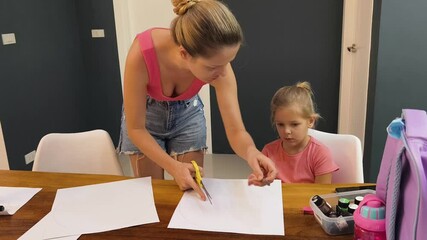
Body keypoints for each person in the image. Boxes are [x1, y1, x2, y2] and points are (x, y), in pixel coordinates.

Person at [118, 0, 277, 201]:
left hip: (188, 113)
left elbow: (236, 130)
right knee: (151, 194)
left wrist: (251, 152)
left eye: (228, 62)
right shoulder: (142, 54)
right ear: (184, 54)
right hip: (145, 118)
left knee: (191, 191)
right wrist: (174, 167)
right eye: (212, 67)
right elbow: (136, 129)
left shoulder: (221, 69)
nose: (222, 73)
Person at [262, 82, 339, 183]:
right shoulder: (268, 152)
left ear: (310, 121)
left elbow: (322, 194)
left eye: (294, 124)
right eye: (280, 124)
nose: (286, 131)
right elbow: (262, 189)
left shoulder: (320, 153)